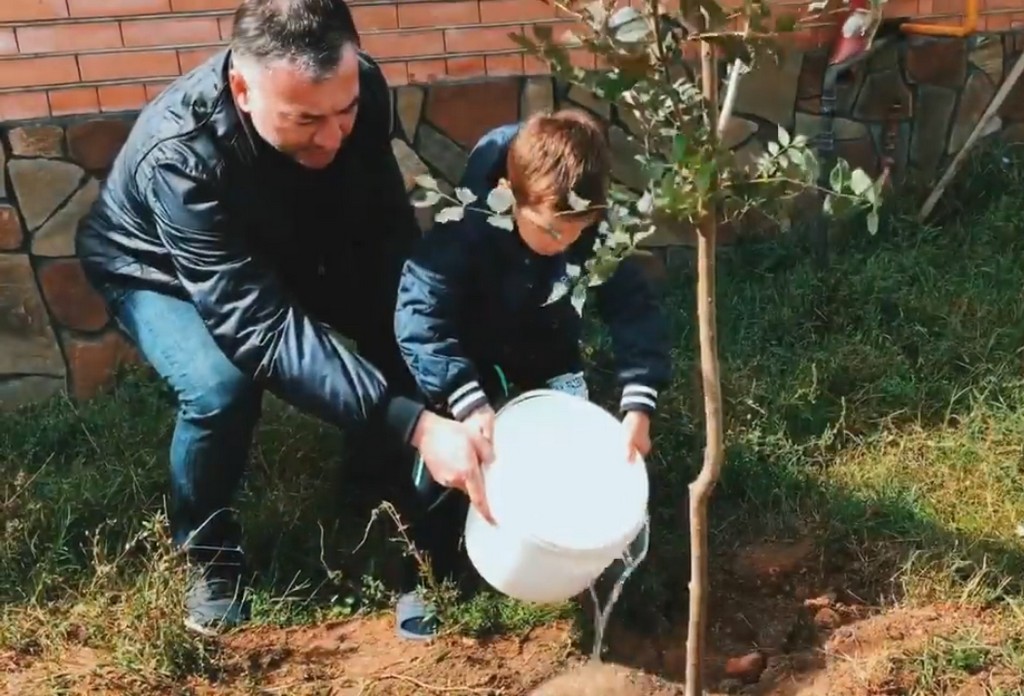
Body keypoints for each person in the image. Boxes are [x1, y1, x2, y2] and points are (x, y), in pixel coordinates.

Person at [75, 0, 493, 639]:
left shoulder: (360, 88)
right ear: (243, 89)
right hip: (158, 267)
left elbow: (383, 234)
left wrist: (426, 334)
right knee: (221, 389)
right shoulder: (180, 154)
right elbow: (259, 324)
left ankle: (385, 508)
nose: (333, 136)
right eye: (304, 119)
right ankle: (211, 557)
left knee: (402, 325)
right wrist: (416, 426)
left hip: (287, 240)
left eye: (344, 112)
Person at [394, 109, 672, 501]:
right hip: (470, 366)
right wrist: (465, 398)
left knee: (571, 475)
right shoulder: (464, 227)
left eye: (576, 233)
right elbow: (420, 317)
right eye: (550, 231)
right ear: (508, 195)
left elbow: (633, 306)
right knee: (447, 481)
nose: (563, 244)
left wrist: (640, 401)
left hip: (550, 355)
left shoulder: (585, 224)